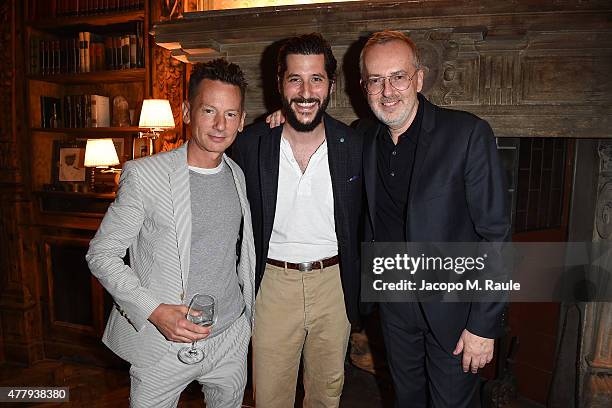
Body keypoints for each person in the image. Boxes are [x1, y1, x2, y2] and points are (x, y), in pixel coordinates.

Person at [86, 58, 255, 408]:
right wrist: (154, 311)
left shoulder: (238, 175)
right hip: (162, 341)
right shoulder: (145, 175)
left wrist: (243, 326)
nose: (220, 124)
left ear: (242, 120)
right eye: (209, 110)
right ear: (188, 111)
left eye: (231, 114)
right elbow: (102, 255)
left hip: (230, 338)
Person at [358, 30, 511, 407]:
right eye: (376, 80)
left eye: (398, 77)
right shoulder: (362, 137)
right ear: (363, 86)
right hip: (394, 308)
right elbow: (313, 134)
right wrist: (282, 115)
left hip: (455, 315)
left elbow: (496, 235)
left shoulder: (467, 134)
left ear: (419, 79)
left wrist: (483, 325)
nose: (387, 90)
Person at [231, 33, 362, 408]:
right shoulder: (251, 143)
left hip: (334, 287)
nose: (306, 91)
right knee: (270, 398)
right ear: (279, 84)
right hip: (271, 285)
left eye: (316, 79)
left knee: (326, 396)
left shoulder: (354, 145)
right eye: (295, 79)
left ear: (330, 85)